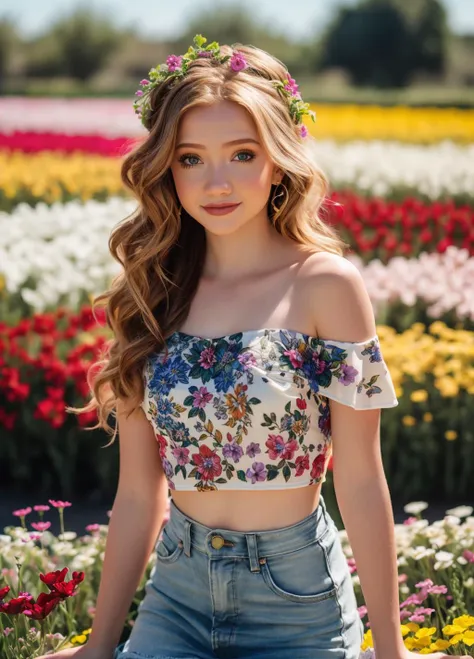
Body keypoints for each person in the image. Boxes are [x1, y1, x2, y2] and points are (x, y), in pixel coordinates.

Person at [38, 35, 470, 659]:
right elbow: (138, 493)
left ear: (278, 158)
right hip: (176, 598)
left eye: (242, 154)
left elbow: (359, 474)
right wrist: (99, 647)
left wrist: (392, 650)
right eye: (190, 159)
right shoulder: (153, 294)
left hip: (300, 602)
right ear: (166, 167)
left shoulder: (325, 285)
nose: (217, 182)